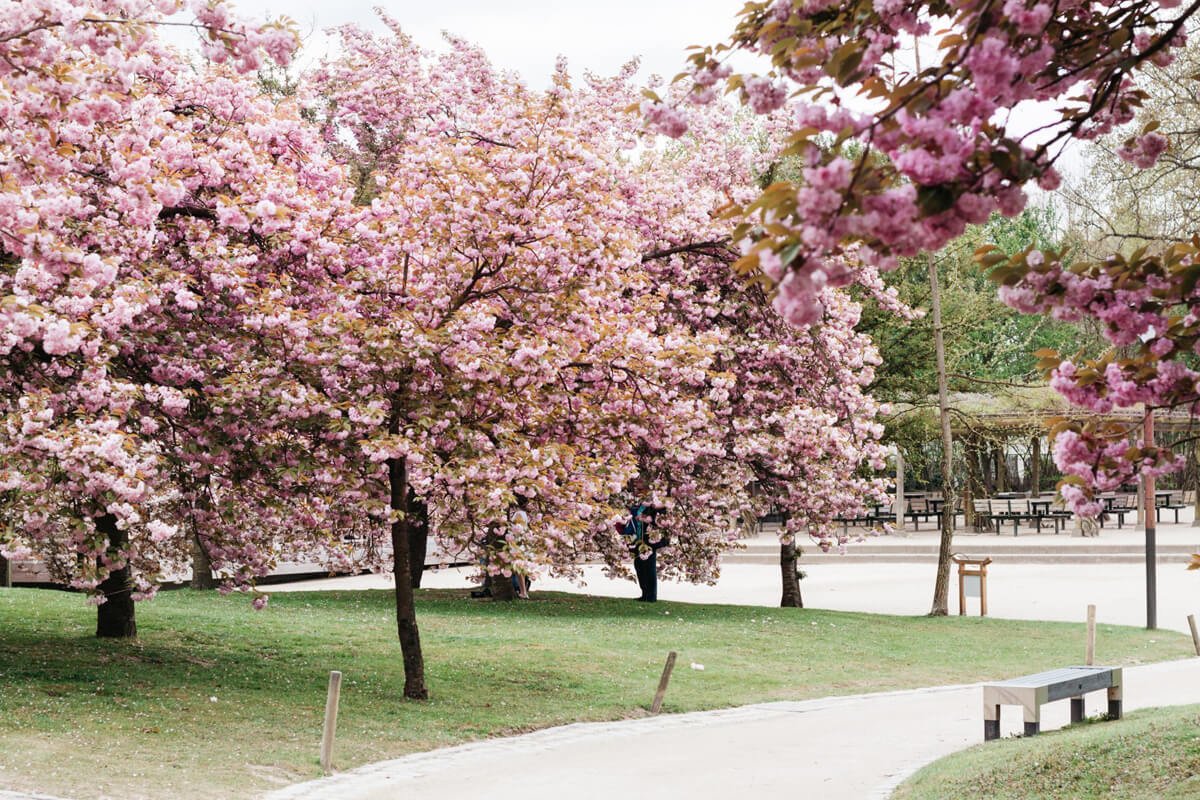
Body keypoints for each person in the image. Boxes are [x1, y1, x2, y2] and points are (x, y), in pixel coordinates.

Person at [624, 501, 665, 602]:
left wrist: (647, 519)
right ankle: (645, 593)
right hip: (638, 540)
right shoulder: (637, 506)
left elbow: (661, 520)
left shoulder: (654, 506)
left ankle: (651, 596)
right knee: (639, 565)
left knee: (649, 567)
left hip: (650, 540)